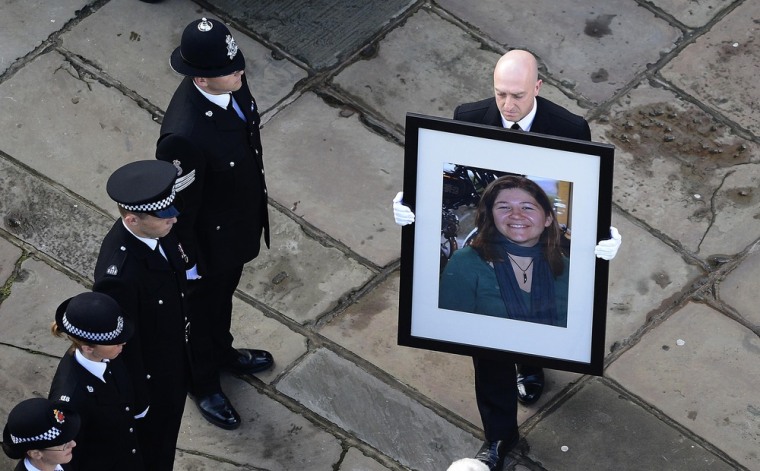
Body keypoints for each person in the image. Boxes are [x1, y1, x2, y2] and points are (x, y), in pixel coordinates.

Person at [392, 49, 622, 470]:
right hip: (494, 247)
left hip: (537, 248)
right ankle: (499, 438)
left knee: (539, 306)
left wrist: (600, 236)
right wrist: (415, 205)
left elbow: (587, 187)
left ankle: (532, 367)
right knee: (489, 351)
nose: (507, 105)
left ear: (537, 87)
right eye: (500, 94)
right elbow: (445, 170)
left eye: (517, 95)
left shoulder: (569, 127)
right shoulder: (468, 115)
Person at [155, 17, 274, 430]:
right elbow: (179, 209)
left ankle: (223, 354)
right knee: (199, 318)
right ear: (202, 80)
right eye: (229, 68)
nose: (239, 70)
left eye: (238, 62)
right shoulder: (184, 136)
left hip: (235, 232)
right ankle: (202, 383)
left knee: (222, 303)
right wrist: (189, 263)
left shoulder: (232, 85)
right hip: (206, 247)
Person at [92, 160, 190, 470]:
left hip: (175, 356)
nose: (174, 217)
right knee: (155, 449)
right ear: (132, 219)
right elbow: (123, 346)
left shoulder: (156, 230)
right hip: (154, 378)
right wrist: (140, 401)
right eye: (163, 215)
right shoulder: (119, 277)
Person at [439, 175, 570, 326]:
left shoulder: (569, 270)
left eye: (527, 207)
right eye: (504, 207)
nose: (516, 215)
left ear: (548, 218)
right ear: (491, 216)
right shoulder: (464, 263)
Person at [48, 291, 145, 470]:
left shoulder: (108, 354)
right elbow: (68, 458)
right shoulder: (71, 397)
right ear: (88, 348)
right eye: (116, 342)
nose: (123, 344)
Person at [2, 398, 80, 471]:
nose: (73, 444)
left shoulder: (59, 460)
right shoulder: (63, 458)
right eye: (63, 444)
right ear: (36, 454)